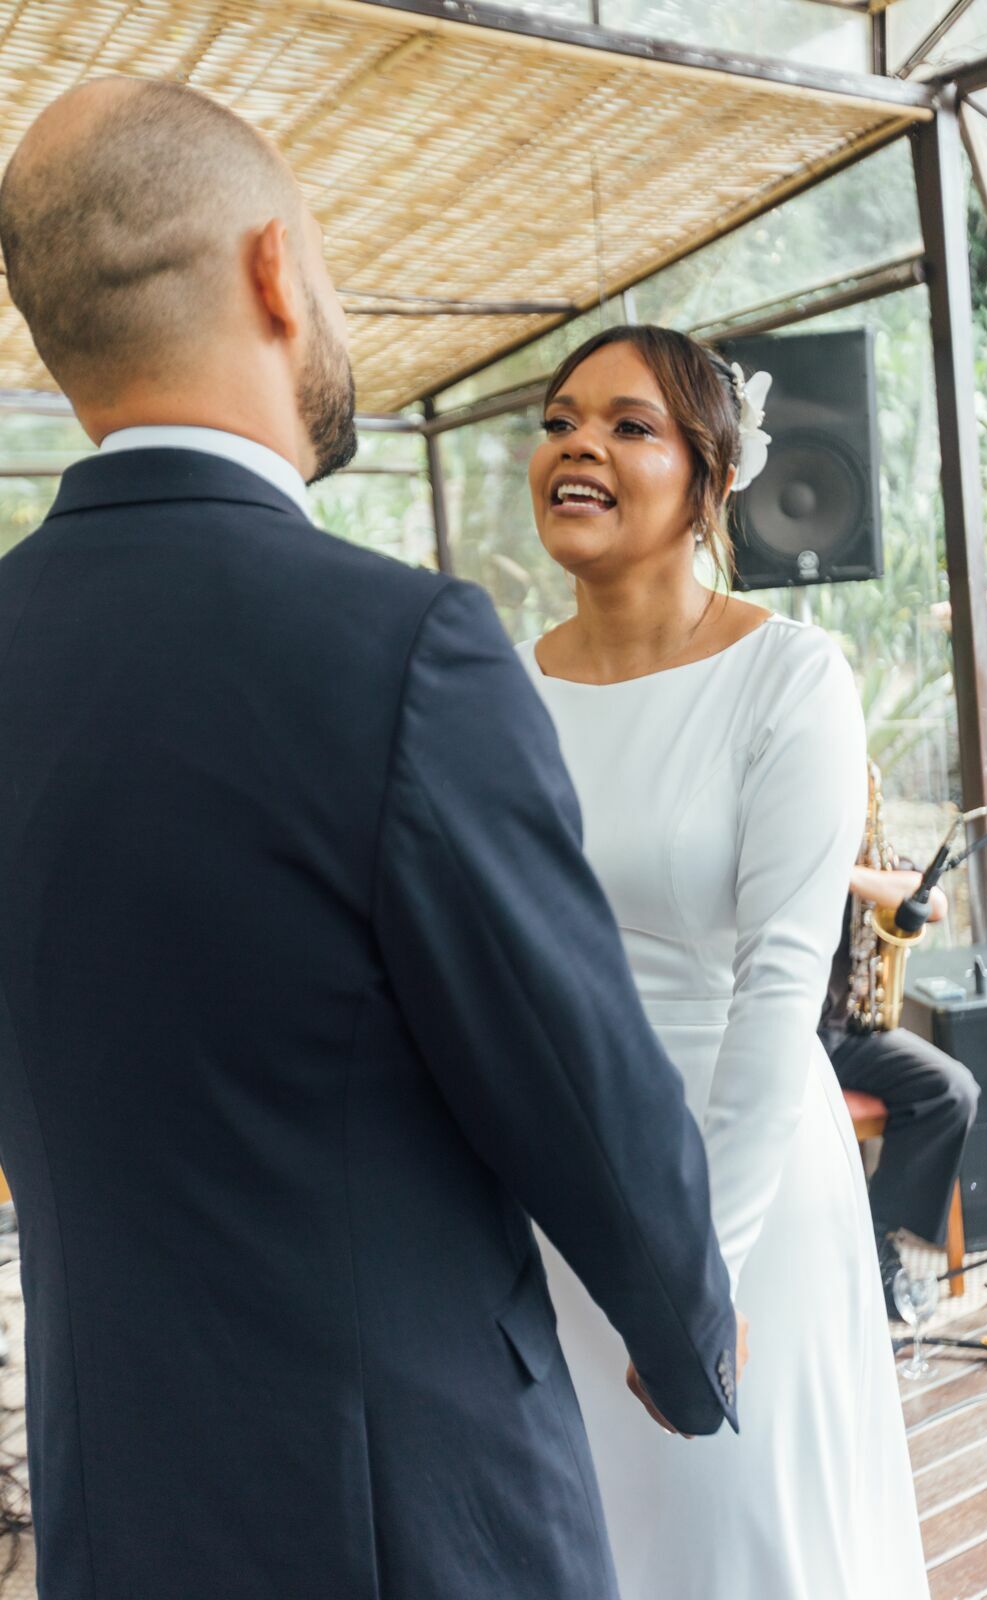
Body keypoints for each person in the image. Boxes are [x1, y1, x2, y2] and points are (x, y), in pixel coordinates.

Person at [0, 81, 740, 1600]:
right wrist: (684, 1336)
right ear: (278, 270)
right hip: (407, 1511)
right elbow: (572, 1074)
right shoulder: (400, 646)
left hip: (115, 1507)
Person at [518, 324, 929, 1600]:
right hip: (559, 1187)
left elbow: (777, 988)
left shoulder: (788, 677)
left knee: (738, 1541)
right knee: (592, 1539)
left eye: (627, 425)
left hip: (732, 1182)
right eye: (559, 420)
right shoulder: (498, 687)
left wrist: (699, 1277)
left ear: (711, 475)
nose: (578, 444)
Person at [818, 791, 980, 1310]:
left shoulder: (869, 857)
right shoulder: (789, 856)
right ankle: (845, 1253)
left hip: (854, 1030)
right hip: (800, 1038)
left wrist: (850, 876)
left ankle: (877, 1232)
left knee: (953, 1090)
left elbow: (936, 903)